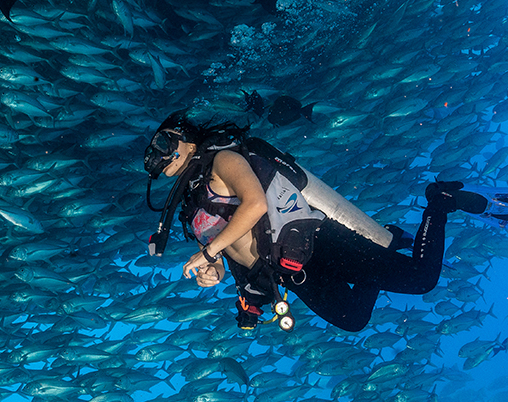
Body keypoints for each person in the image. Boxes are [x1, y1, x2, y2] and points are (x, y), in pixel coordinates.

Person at [142, 111, 483, 332]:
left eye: (165, 141)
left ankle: (439, 202)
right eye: (155, 148)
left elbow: (256, 205)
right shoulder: (190, 204)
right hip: (290, 271)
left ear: (188, 140)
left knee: (422, 280)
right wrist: (211, 272)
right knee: (352, 319)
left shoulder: (223, 160)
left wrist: (208, 251)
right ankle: (386, 242)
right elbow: (230, 251)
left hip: (317, 245)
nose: (159, 153)